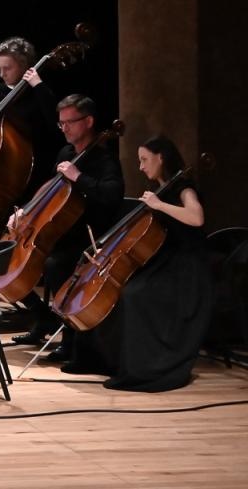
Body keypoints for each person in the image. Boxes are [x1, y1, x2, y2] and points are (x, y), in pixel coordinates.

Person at [9, 94, 124, 370]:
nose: (65, 129)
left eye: (69, 123)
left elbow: (113, 194)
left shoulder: (104, 157)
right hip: (62, 233)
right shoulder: (66, 154)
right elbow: (51, 194)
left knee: (55, 264)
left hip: (91, 237)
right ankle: (46, 319)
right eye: (61, 124)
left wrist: (79, 177)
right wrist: (25, 212)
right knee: (6, 259)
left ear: (88, 122)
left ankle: (72, 339)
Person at [93, 136, 209, 391]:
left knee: (136, 295)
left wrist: (159, 205)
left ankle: (150, 367)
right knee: (123, 290)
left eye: (145, 159)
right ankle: (124, 363)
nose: (141, 166)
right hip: (165, 261)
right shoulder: (161, 188)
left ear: (161, 158)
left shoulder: (183, 188)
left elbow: (196, 217)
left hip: (187, 267)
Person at [0, 38, 58, 188]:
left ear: (24, 65)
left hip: (33, 166)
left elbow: (55, 124)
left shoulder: (39, 92)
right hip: (0, 166)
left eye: (8, 68)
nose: (2, 74)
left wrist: (38, 85)